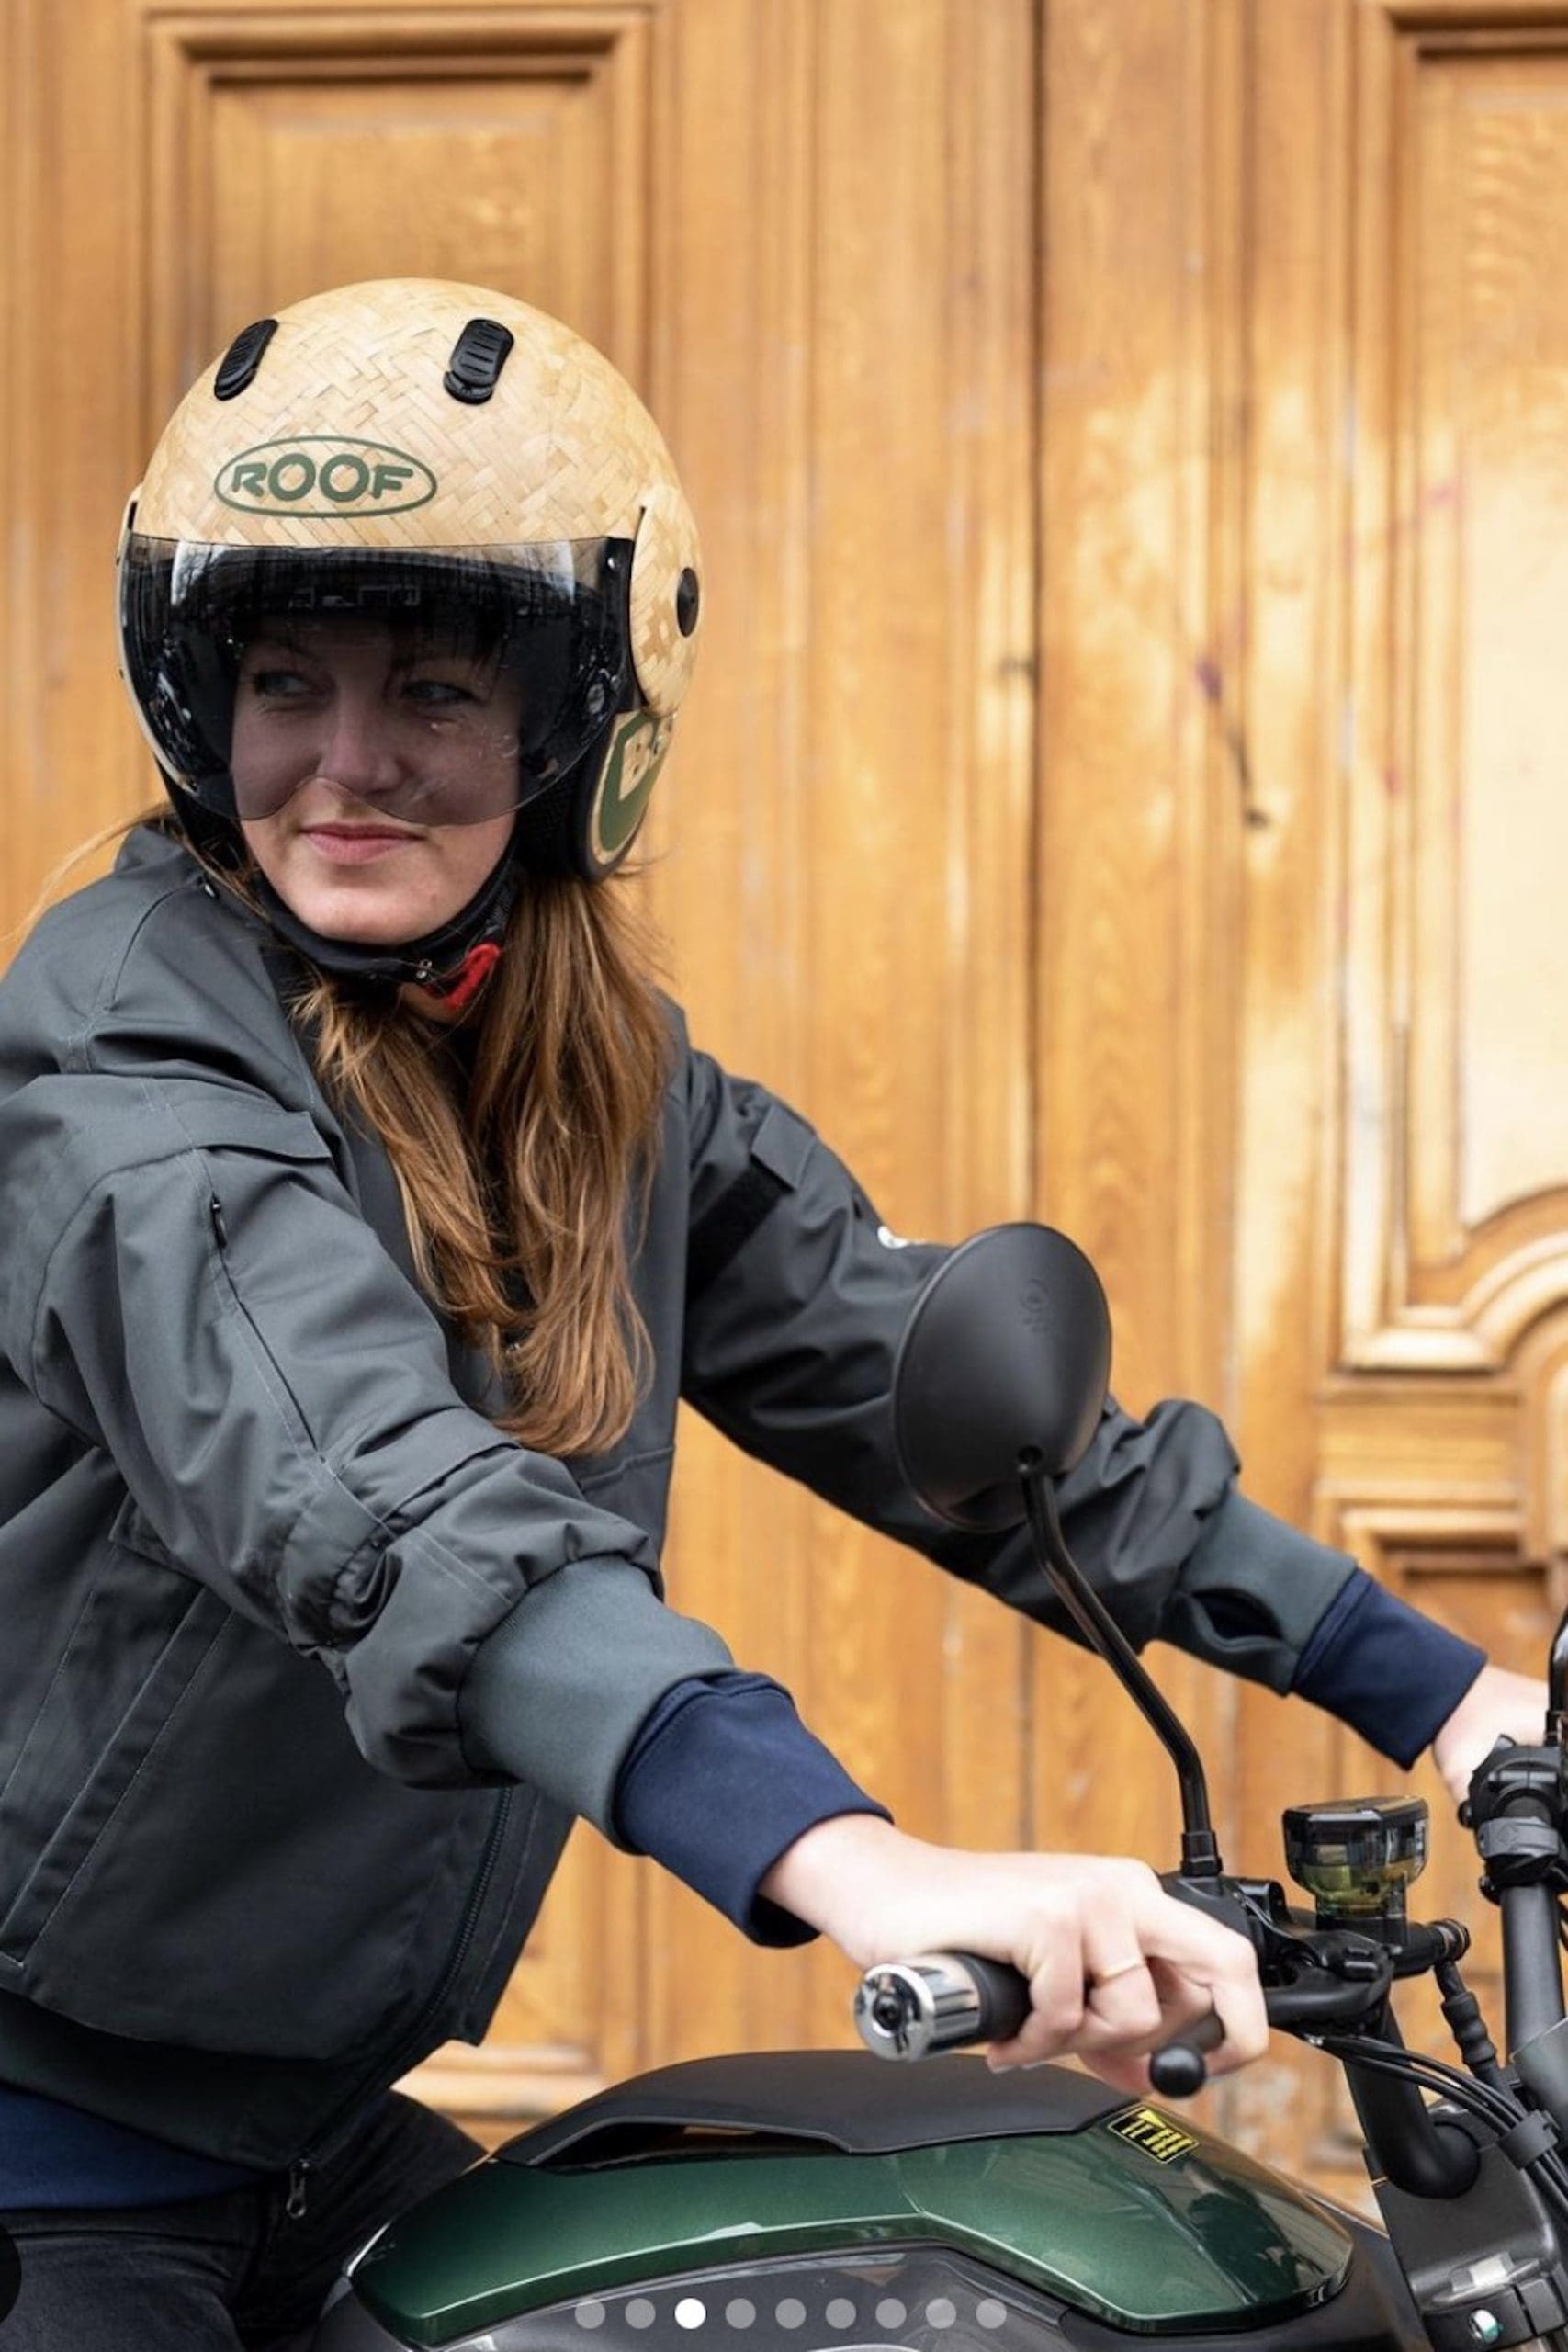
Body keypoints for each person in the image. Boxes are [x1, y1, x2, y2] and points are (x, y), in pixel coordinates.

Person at [0, 278, 1540, 2348]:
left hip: (310, 2129)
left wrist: (1438, 1692)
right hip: (50, 2160)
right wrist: (855, 1860)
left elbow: (937, 1392)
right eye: (285, 677)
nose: (345, 764)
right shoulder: (127, 1064)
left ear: (571, 719)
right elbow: (377, 1488)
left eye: (434, 693)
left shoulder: (601, 1079)